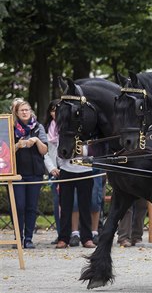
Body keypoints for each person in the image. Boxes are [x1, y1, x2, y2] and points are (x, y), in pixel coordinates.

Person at [12, 99, 48, 249]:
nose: (25, 112)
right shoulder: (10, 127)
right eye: (22, 110)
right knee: (19, 206)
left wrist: (37, 141)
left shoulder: (38, 127)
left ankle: (28, 238)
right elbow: (5, 152)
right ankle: (18, 237)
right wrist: (18, 145)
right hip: (17, 173)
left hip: (35, 173)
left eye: (27, 109)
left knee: (31, 207)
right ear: (16, 113)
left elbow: (45, 150)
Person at [55, 143, 96, 249]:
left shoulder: (88, 128)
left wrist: (84, 151)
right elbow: (58, 146)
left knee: (85, 206)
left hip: (85, 169)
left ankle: (87, 238)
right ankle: (63, 238)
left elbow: (95, 147)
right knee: (65, 206)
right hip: (66, 168)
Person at [43, 99, 62, 244]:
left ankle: (74, 232)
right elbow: (46, 152)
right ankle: (61, 233)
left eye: (58, 109)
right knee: (58, 204)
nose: (55, 112)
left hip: (69, 168)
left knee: (73, 204)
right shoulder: (46, 127)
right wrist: (52, 168)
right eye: (53, 110)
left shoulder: (70, 125)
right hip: (55, 170)